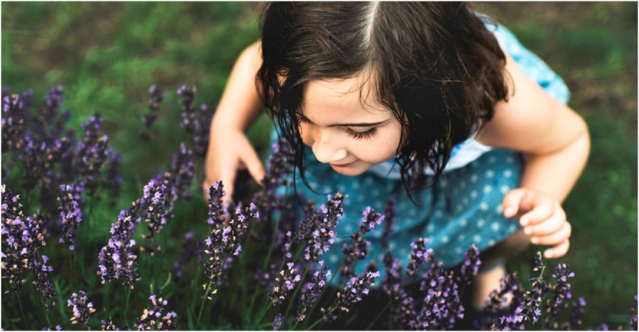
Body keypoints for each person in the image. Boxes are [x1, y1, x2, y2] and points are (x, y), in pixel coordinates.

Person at [203, 2, 590, 314]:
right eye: (301, 117)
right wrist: (227, 127)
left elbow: (567, 140)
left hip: (461, 174)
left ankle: (488, 265)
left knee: (511, 220)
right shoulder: (313, 67)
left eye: (360, 130)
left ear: (429, 105)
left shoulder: (498, 108)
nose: (320, 150)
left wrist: (542, 195)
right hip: (376, 169)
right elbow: (255, 61)